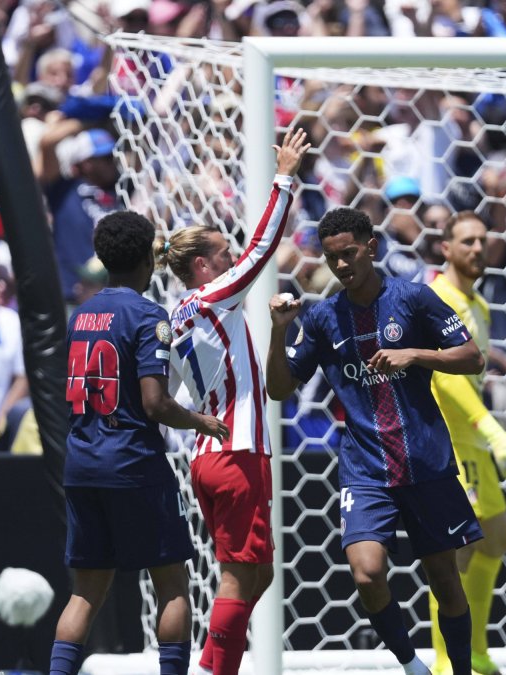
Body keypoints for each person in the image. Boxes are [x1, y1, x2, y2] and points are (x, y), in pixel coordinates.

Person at [267, 207, 486, 675]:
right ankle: (410, 665)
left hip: (425, 462)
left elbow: (472, 357)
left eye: (349, 254)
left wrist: (415, 354)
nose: (342, 265)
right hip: (365, 468)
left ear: (372, 247)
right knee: (366, 572)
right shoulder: (324, 317)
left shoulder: (414, 299)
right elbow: (279, 388)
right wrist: (278, 331)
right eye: (332, 258)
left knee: (445, 580)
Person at [48, 211, 229, 675]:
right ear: (148, 259)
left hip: (82, 463)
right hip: (132, 462)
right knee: (171, 583)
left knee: (85, 592)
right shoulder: (150, 316)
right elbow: (155, 403)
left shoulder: (81, 314)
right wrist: (201, 422)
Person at [159, 128, 309, 675]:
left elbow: (168, 393)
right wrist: (285, 177)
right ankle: (215, 669)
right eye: (224, 252)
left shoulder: (178, 318)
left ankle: (213, 660)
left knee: (258, 571)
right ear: (202, 264)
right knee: (237, 575)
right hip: (237, 451)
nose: (233, 258)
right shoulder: (214, 296)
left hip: (207, 455)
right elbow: (264, 247)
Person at [424, 211, 506, 675]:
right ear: (445, 248)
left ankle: (478, 653)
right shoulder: (436, 300)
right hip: (446, 444)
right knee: (458, 552)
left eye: (481, 240)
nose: (475, 248)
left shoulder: (479, 306)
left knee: (495, 540)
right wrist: (491, 428)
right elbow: (443, 379)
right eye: (465, 241)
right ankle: (448, 660)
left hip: (474, 445)